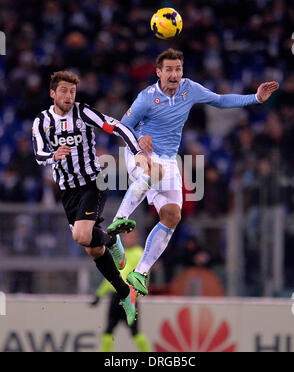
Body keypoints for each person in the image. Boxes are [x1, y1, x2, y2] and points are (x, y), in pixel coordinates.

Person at [107, 48, 279, 296]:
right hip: (139, 153)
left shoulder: (190, 89)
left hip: (168, 160)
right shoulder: (147, 97)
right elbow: (121, 127)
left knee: (172, 215)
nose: (174, 74)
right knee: (152, 170)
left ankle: (140, 272)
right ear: (158, 72)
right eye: (169, 70)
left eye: (178, 69)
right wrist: (138, 140)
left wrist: (256, 98)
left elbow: (220, 100)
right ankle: (116, 227)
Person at [32, 70, 148, 325]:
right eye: (63, 91)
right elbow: (39, 154)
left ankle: (112, 239)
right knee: (94, 250)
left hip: (92, 182)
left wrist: (136, 150)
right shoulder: (41, 121)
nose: (69, 95)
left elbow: (115, 126)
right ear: (53, 93)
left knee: (81, 236)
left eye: (72, 91)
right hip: (68, 192)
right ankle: (123, 291)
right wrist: (54, 155)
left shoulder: (83, 113)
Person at [90, 230, 151, 352]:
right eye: (127, 237)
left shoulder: (140, 253)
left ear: (137, 238)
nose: (129, 239)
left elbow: (145, 275)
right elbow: (110, 277)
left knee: (135, 332)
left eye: (132, 237)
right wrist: (99, 294)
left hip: (130, 297)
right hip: (115, 296)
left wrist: (139, 292)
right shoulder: (118, 253)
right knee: (109, 330)